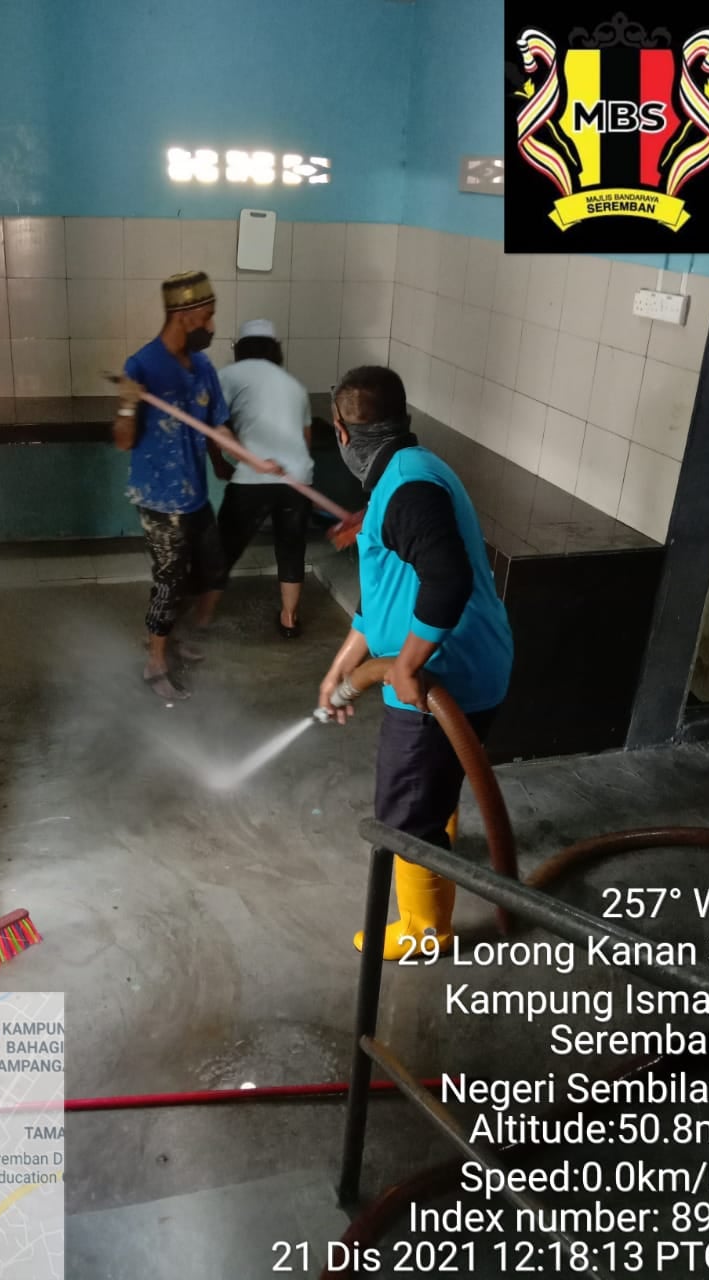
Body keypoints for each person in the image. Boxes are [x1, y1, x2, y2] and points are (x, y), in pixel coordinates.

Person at [318, 366, 513, 960]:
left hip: (440, 676)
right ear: (403, 419)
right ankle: (435, 842)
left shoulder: (405, 488)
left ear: (342, 432)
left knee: (403, 814)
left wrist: (403, 665)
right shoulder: (409, 472)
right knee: (435, 783)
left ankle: (425, 930)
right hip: (473, 661)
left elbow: (447, 580)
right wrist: (344, 664)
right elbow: (386, 596)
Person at [114, 271, 238, 701]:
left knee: (212, 568)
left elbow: (216, 426)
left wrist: (231, 460)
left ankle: (173, 636)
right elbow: (123, 441)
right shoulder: (142, 366)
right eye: (207, 316)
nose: (212, 326)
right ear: (184, 316)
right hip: (159, 498)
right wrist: (128, 404)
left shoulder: (202, 367)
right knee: (170, 581)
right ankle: (155, 661)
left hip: (195, 494)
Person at [216, 320, 315, 638]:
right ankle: (290, 619)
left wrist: (220, 463)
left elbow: (214, 426)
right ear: (275, 349)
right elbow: (306, 439)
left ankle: (199, 613)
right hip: (296, 479)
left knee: (223, 547)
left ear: (240, 348)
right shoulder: (294, 385)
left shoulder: (228, 375)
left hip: (252, 478)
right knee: (291, 548)